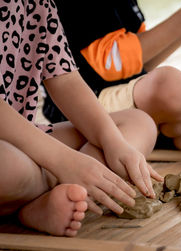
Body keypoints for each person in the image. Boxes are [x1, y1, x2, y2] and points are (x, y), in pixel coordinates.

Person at [0, 0, 162, 237]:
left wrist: (113, 143)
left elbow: (65, 79)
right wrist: (63, 161)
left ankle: (49, 196)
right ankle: (45, 191)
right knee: (8, 166)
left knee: (138, 123)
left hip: (25, 141)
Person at [43, 0, 181, 160]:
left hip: (130, 93)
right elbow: (109, 67)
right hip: (84, 103)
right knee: (172, 84)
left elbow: (143, 64)